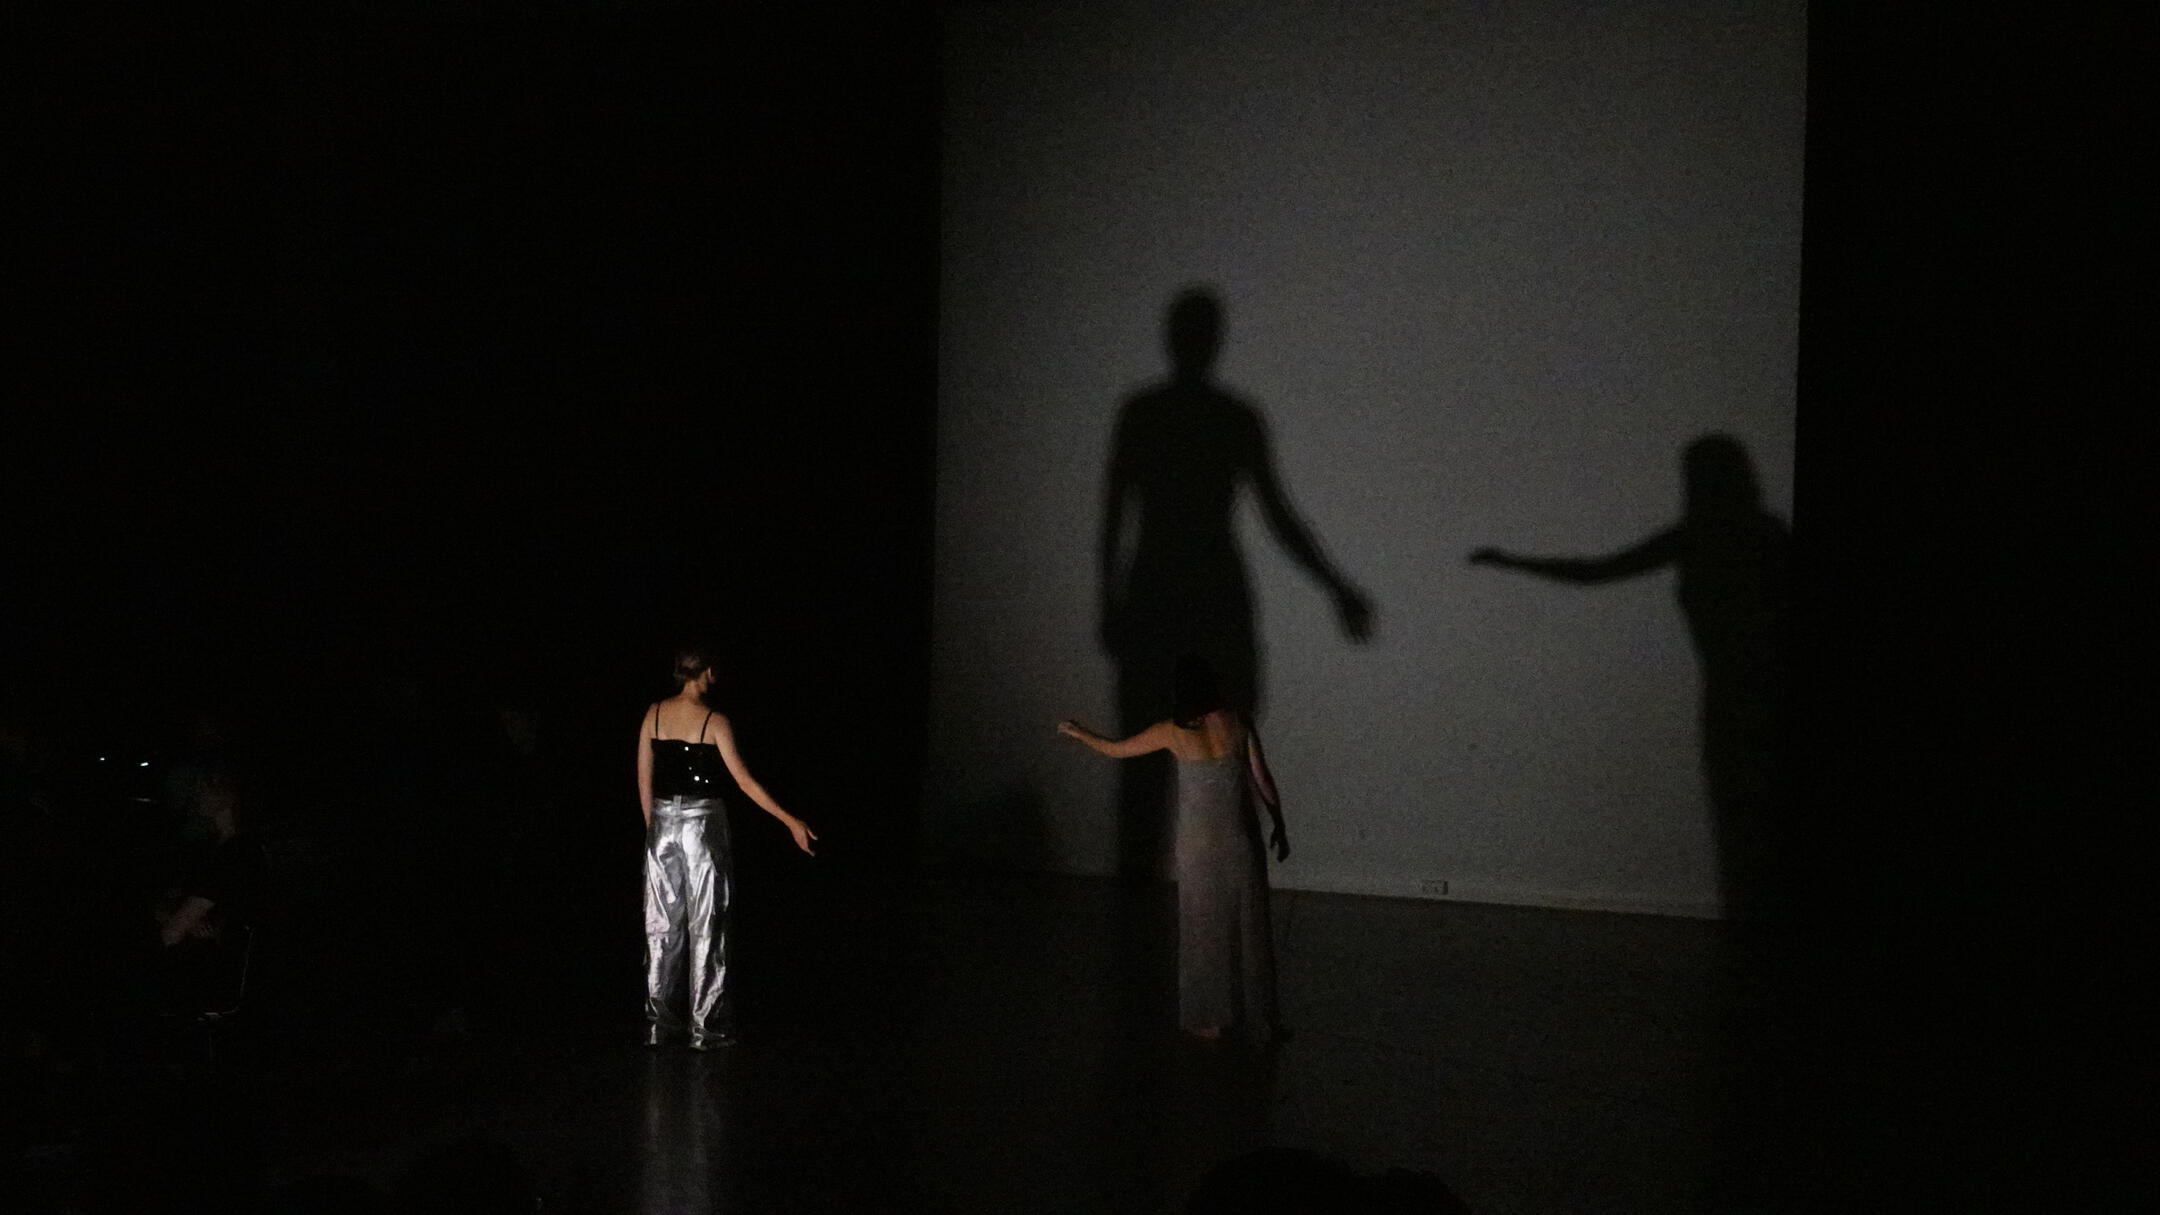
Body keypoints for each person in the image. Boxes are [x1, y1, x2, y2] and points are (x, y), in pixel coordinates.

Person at [1058, 655, 1286, 1043]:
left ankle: (1208, 1019)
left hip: (1197, 848)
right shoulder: (1238, 722)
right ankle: (1261, 1020)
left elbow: (1116, 749)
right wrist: (1280, 825)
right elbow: (1262, 779)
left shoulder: (1173, 732)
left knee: (1201, 931)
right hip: (1239, 842)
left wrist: (1080, 733)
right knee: (1251, 929)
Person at [638, 645, 815, 1049]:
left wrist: (655, 828)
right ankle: (706, 1028)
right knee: (708, 925)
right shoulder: (714, 721)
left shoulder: (654, 714)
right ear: (709, 672)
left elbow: (644, 778)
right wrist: (790, 820)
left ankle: (659, 1025)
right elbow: (744, 781)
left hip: (662, 825)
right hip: (702, 827)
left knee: (661, 927)